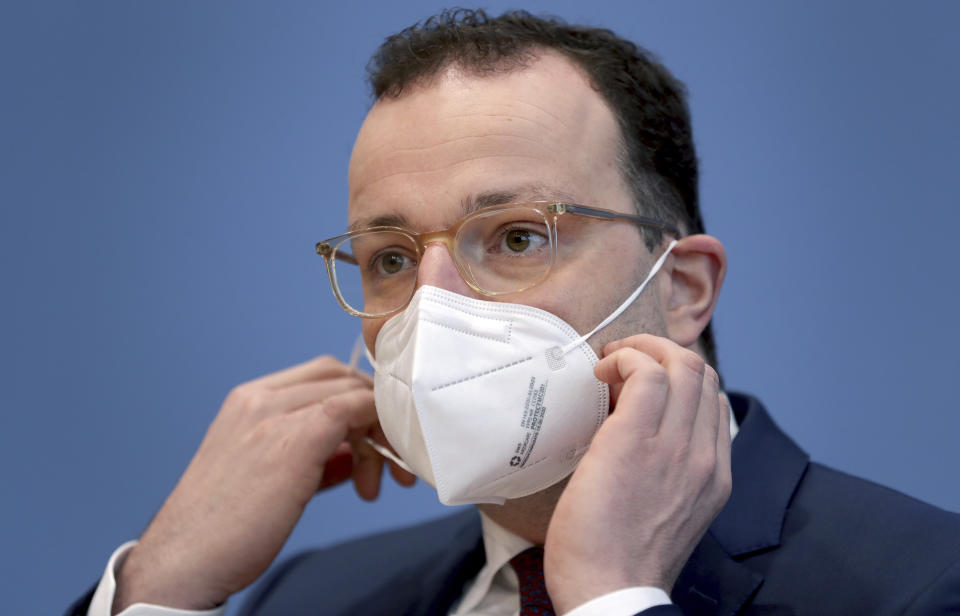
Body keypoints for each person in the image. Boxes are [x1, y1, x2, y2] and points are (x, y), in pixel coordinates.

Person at [68, 9, 960, 616]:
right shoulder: (316, 596)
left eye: (518, 238)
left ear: (684, 286)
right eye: (389, 258)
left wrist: (612, 599)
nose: (434, 304)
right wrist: (160, 590)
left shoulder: (922, 585)